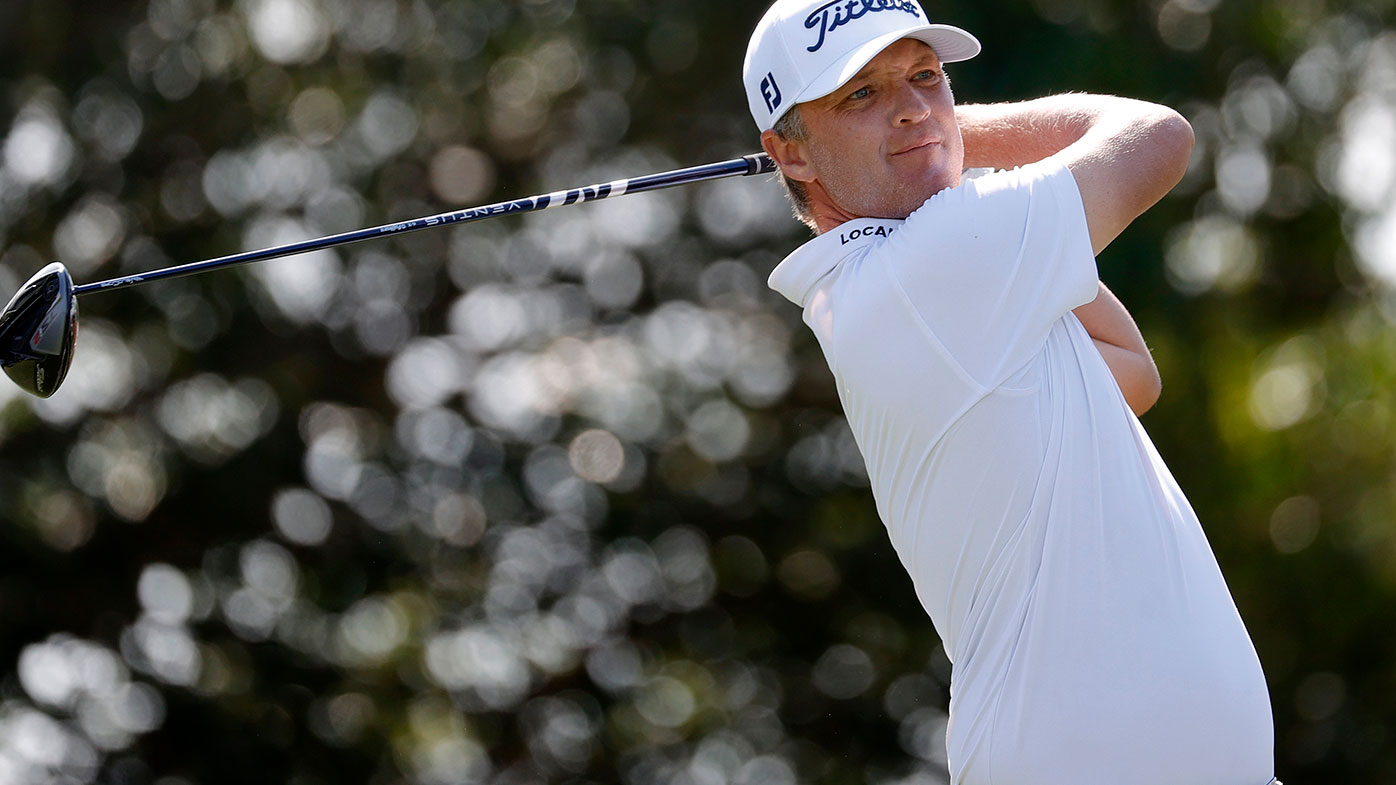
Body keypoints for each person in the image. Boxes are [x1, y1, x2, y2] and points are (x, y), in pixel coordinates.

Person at [743, 2, 1280, 784]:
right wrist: (952, 137)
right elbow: (1158, 135)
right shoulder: (933, 268)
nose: (912, 106)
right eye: (861, 93)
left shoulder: (943, 277)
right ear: (788, 154)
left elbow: (1130, 370)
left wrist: (936, 140)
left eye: (926, 78)